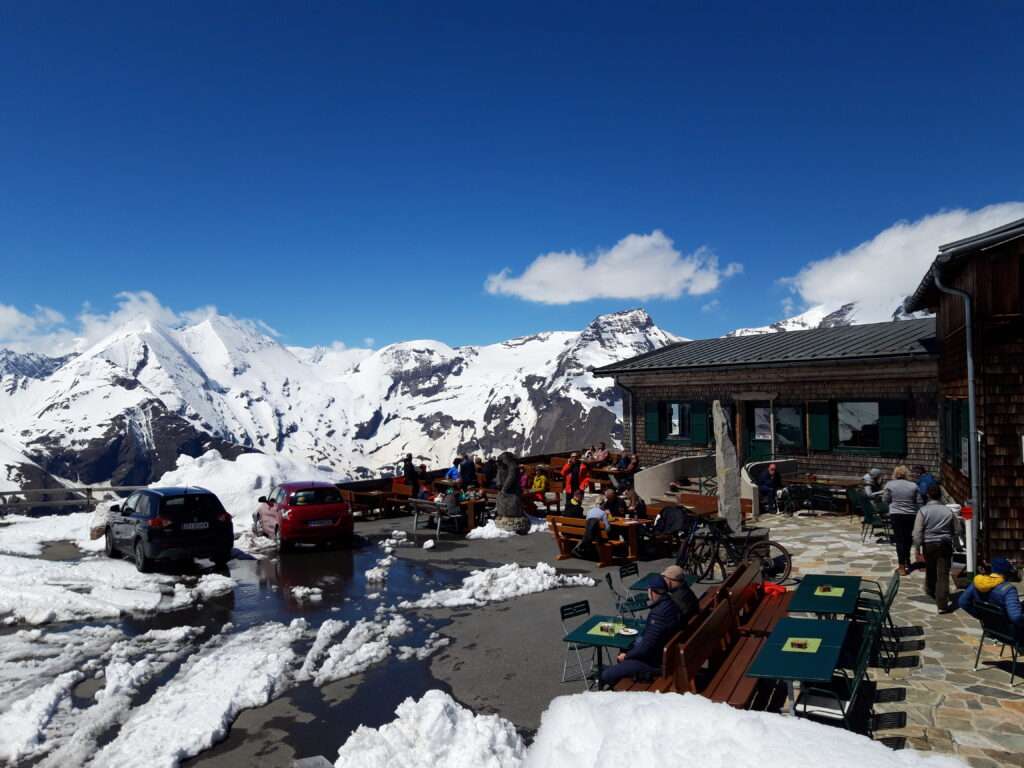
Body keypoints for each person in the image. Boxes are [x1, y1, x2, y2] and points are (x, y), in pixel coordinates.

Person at [599, 574, 685, 689]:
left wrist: (627, 656)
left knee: (605, 675)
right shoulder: (671, 605)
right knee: (626, 651)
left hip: (654, 664)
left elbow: (646, 647)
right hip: (666, 656)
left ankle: (617, 691)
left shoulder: (658, 614)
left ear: (652, 592)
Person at [913, 484, 963, 612]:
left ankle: (931, 591)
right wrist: (951, 537)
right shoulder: (948, 511)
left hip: (928, 545)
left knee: (930, 568)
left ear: (928, 495)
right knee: (943, 574)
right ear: (940, 495)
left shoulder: (922, 511)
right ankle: (942, 604)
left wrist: (917, 549)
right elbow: (958, 530)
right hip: (945, 544)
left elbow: (917, 532)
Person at [959, 558, 1022, 638]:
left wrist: (982, 616)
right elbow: (1016, 617)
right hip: (1008, 633)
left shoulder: (977, 582)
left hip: (989, 629)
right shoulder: (1009, 590)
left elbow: (962, 602)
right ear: (1006, 573)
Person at [884, 465, 924, 576]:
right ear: (907, 474)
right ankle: (907, 561)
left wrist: (893, 504)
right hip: (910, 514)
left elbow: (885, 499)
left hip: (896, 514)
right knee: (908, 539)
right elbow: (919, 502)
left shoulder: (890, 485)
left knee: (899, 540)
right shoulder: (914, 485)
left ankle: (902, 567)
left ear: (895, 474)